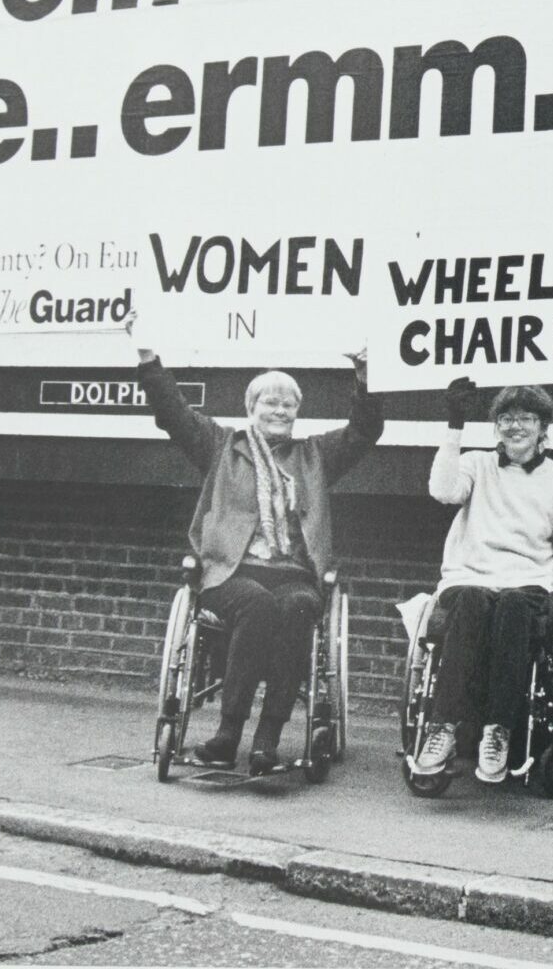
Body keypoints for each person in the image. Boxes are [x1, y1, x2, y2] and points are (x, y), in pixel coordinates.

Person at [130, 319, 381, 774]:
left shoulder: (313, 457)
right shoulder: (222, 446)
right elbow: (172, 413)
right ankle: (228, 735)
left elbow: (365, 432)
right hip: (230, 572)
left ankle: (267, 739)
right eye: (270, 401)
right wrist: (149, 358)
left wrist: (364, 376)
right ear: (251, 407)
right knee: (258, 605)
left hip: (293, 575)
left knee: (297, 608)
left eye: (289, 404)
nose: (280, 410)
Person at [413, 376, 553, 785]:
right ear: (496, 427)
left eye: (526, 418)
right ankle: (443, 728)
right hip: (470, 575)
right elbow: (442, 490)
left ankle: (498, 730)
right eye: (506, 419)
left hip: (526, 582)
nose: (515, 427)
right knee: (474, 600)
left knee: (511, 605)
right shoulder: (477, 464)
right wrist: (455, 422)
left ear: (543, 428)